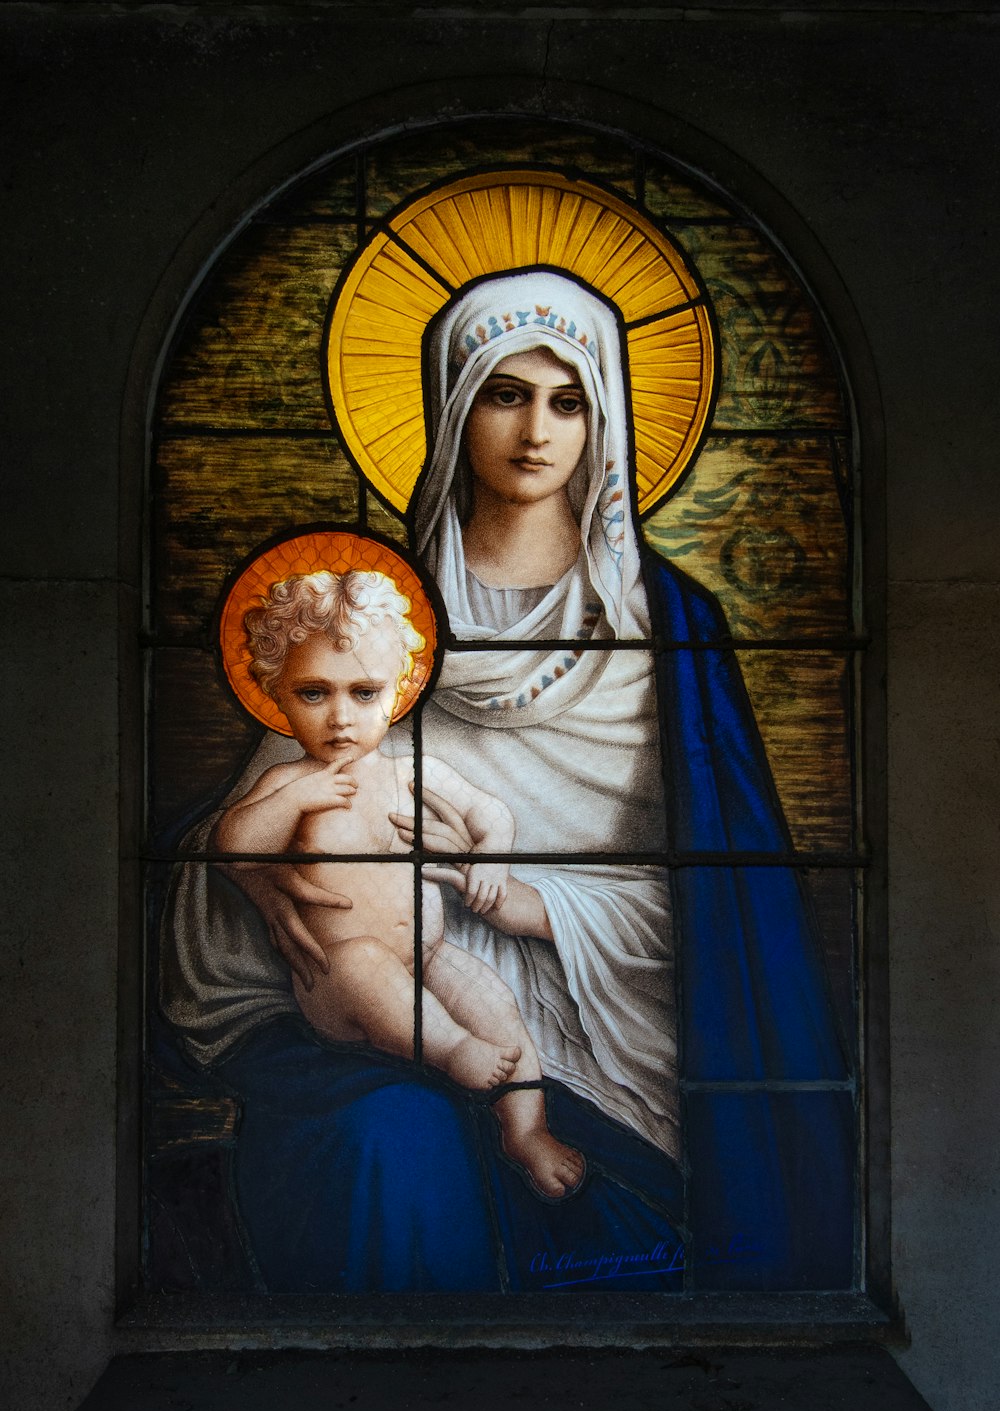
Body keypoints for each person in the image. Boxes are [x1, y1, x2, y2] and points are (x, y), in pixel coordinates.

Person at [162, 268, 853, 1294]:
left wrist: (538, 903)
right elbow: (251, 850)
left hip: (615, 1021)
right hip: (384, 1008)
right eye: (504, 391)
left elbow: (733, 900)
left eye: (567, 399)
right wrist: (264, 878)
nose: (537, 429)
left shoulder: (665, 626)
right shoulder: (365, 615)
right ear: (453, 406)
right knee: (386, 1140)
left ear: (603, 419)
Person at [214, 565, 585, 1198]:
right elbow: (232, 846)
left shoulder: (412, 771)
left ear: (400, 688)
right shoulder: (288, 785)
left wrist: (492, 851)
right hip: (340, 983)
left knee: (496, 1001)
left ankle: (525, 1130)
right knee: (362, 961)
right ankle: (449, 1053)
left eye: (363, 693)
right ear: (276, 691)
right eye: (313, 693)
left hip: (427, 956)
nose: (339, 718)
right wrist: (300, 794)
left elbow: (489, 812)